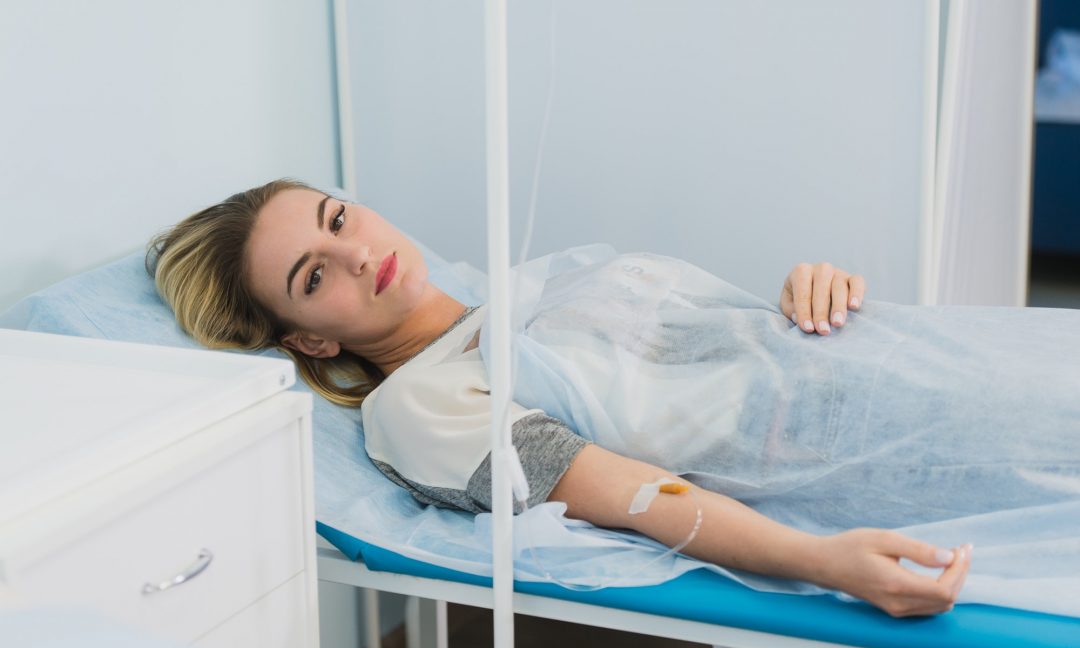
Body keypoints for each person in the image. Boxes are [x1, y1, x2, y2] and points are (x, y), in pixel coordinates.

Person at [149, 179, 1078, 619]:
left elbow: (707, 349)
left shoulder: (541, 280)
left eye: (338, 218)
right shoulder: (416, 406)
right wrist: (819, 560)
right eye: (316, 277)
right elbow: (625, 487)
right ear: (311, 338)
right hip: (885, 440)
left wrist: (808, 287)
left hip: (911, 348)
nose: (355, 251)